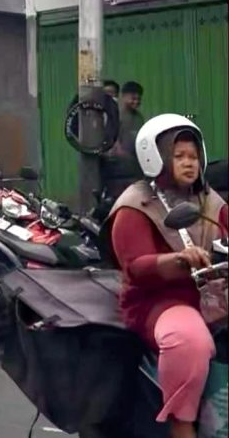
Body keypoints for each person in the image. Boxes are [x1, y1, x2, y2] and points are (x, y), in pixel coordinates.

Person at [107, 114, 227, 438]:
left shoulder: (209, 201)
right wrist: (178, 260)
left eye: (194, 156)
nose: (189, 163)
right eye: (179, 156)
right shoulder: (136, 205)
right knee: (189, 341)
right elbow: (135, 266)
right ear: (155, 156)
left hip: (215, 297)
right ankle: (182, 421)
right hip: (160, 302)